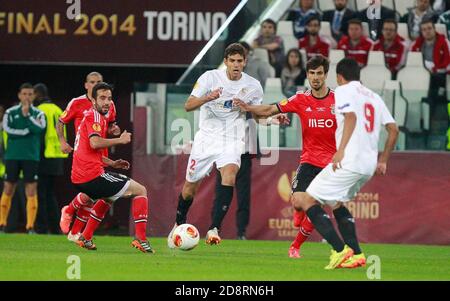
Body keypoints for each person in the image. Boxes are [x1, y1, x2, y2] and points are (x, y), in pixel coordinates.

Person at [167, 43, 280, 246]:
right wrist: (207, 97)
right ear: (226, 62)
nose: (236, 65)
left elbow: (257, 116)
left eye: (240, 61)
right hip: (206, 139)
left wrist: (272, 120)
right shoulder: (210, 78)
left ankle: (214, 228)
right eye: (232, 61)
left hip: (232, 140)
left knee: (229, 175)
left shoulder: (253, 86)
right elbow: (188, 106)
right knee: (189, 188)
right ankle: (179, 223)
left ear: (244, 62)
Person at [295, 58, 399, 269]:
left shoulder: (342, 91)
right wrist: (384, 161)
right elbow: (394, 130)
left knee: (307, 200)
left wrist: (340, 150)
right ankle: (358, 255)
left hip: (349, 160)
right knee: (336, 203)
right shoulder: (374, 97)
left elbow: (350, 117)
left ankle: (340, 250)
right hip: (368, 166)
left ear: (339, 77)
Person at [234, 56, 337, 258]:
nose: (315, 78)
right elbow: (270, 109)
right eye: (312, 73)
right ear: (307, 75)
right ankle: (299, 210)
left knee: (315, 206)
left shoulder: (338, 100)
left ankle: (295, 247)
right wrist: (248, 108)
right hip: (308, 161)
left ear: (326, 74)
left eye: (319, 73)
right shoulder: (300, 99)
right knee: (298, 202)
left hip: (330, 165)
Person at [72, 82, 153, 253]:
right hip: (91, 176)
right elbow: (94, 143)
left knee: (109, 197)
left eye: (109, 98)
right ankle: (141, 238)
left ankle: (85, 237)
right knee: (141, 190)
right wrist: (119, 140)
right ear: (92, 100)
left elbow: (87, 150)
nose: (106, 102)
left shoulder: (94, 117)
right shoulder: (94, 116)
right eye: (102, 98)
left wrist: (112, 163)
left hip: (82, 176)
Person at [57, 72, 120, 242]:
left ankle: (75, 232)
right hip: (84, 153)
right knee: (92, 191)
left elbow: (111, 124)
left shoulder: (109, 103)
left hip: (100, 152)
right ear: (86, 85)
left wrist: (114, 130)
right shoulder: (77, 102)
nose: (95, 84)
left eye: (98, 82)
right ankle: (69, 210)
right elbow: (61, 121)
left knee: (94, 195)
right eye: (92, 82)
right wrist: (62, 141)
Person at [0, 83, 46, 233]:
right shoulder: (10, 112)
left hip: (31, 156)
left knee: (31, 189)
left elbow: (40, 129)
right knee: (8, 188)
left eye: (30, 94)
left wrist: (27, 117)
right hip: (13, 155)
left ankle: (30, 226)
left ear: (34, 96)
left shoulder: (38, 114)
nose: (27, 97)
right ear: (19, 95)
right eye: (24, 94)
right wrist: (27, 131)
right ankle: (2, 223)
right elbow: (8, 130)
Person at [34, 83, 68, 234]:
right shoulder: (58, 110)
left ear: (38, 94)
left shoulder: (40, 110)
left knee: (41, 194)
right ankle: (55, 228)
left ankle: (41, 228)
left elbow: (39, 136)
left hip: (44, 156)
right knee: (50, 194)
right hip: (57, 157)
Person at [410, 19, 450, 123]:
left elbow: (448, 62)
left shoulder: (444, 41)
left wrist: (434, 69)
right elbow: (411, 62)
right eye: (424, 29)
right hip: (421, 74)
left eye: (429, 28)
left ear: (434, 29)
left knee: (433, 82)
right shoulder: (416, 44)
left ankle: (431, 118)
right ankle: (418, 117)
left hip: (439, 75)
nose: (427, 31)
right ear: (421, 32)